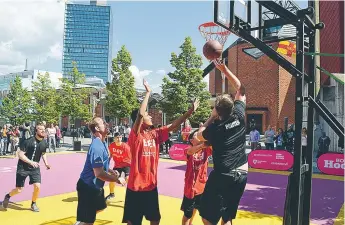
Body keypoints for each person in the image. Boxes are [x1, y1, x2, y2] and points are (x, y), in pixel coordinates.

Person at [122, 80, 199, 225]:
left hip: (151, 186)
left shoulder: (155, 134)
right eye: (147, 114)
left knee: (155, 220)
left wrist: (189, 112)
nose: (150, 116)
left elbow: (174, 125)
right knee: (133, 222)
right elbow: (139, 115)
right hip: (135, 188)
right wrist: (148, 93)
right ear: (140, 120)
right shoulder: (135, 136)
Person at [193, 59, 247, 225]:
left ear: (217, 110)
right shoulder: (239, 114)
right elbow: (241, 89)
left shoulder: (215, 129)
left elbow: (198, 136)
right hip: (243, 172)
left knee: (207, 217)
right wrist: (224, 69)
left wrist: (210, 117)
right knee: (227, 216)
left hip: (224, 173)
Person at [75, 117, 126, 225]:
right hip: (88, 187)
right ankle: (82, 221)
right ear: (97, 128)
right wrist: (117, 180)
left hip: (96, 187)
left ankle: (83, 220)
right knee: (89, 221)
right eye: (103, 123)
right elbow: (98, 173)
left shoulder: (103, 142)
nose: (107, 124)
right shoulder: (96, 146)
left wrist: (110, 170)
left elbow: (100, 166)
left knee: (101, 207)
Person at [2, 123, 50, 212]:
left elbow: (43, 153)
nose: (43, 131)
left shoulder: (44, 143)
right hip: (23, 167)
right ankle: (8, 196)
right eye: (40, 129)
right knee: (19, 190)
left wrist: (46, 163)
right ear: (36, 131)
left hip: (35, 168)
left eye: (44, 129)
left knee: (37, 186)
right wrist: (31, 162)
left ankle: (33, 203)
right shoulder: (28, 141)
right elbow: (20, 154)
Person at [181, 130, 212, 225]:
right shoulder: (188, 149)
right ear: (191, 140)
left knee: (200, 211)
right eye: (196, 135)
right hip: (190, 187)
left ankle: (191, 223)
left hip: (202, 186)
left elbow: (212, 143)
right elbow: (190, 152)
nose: (198, 136)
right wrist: (202, 145)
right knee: (187, 213)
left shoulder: (206, 149)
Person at [105, 132, 131, 201]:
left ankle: (131, 195)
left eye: (120, 137)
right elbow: (110, 156)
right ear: (114, 139)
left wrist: (123, 178)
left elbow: (130, 159)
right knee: (111, 177)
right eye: (117, 137)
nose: (119, 139)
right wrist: (107, 164)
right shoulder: (111, 146)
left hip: (126, 164)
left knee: (128, 178)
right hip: (117, 165)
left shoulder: (126, 147)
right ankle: (111, 194)